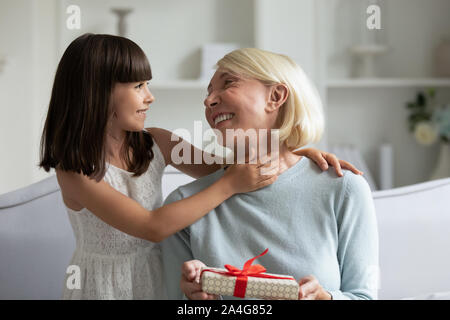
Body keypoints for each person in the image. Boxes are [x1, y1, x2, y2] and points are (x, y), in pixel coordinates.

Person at [39, 34, 361, 299]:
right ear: (96, 93)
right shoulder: (74, 172)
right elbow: (153, 226)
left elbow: (228, 168)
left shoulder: (156, 142)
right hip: (102, 287)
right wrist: (231, 184)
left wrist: (295, 153)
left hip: (155, 278)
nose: (150, 97)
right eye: (138, 86)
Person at [161, 48, 379, 300]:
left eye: (228, 83)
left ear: (275, 96)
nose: (208, 100)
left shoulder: (344, 189)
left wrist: (323, 298)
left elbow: (364, 296)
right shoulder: (183, 206)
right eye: (208, 92)